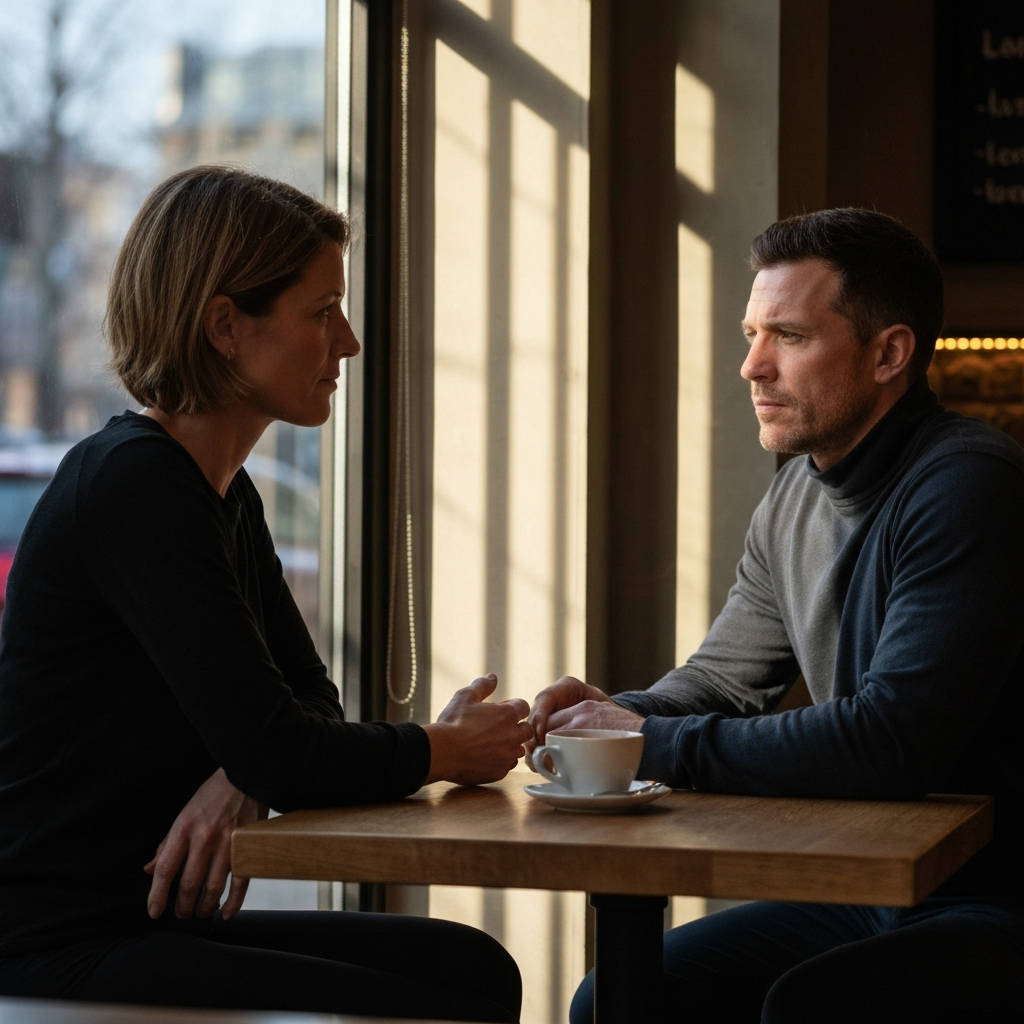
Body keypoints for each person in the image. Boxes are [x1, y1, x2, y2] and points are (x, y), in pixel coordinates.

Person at [0, 166, 530, 1022]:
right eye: (322, 312)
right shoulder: (136, 486)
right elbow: (287, 746)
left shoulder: (223, 493)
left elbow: (303, 707)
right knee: (436, 1002)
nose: (349, 341)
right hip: (60, 940)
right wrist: (443, 750)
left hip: (151, 922)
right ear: (223, 326)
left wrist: (237, 770)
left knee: (472, 971)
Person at [529, 209, 1024, 1023]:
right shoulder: (797, 488)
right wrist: (609, 720)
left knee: (811, 1008)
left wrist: (650, 742)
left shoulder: (966, 484)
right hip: (872, 885)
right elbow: (724, 679)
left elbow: (887, 742)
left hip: (990, 895)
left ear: (889, 353)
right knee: (620, 998)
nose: (751, 366)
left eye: (787, 337)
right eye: (752, 334)